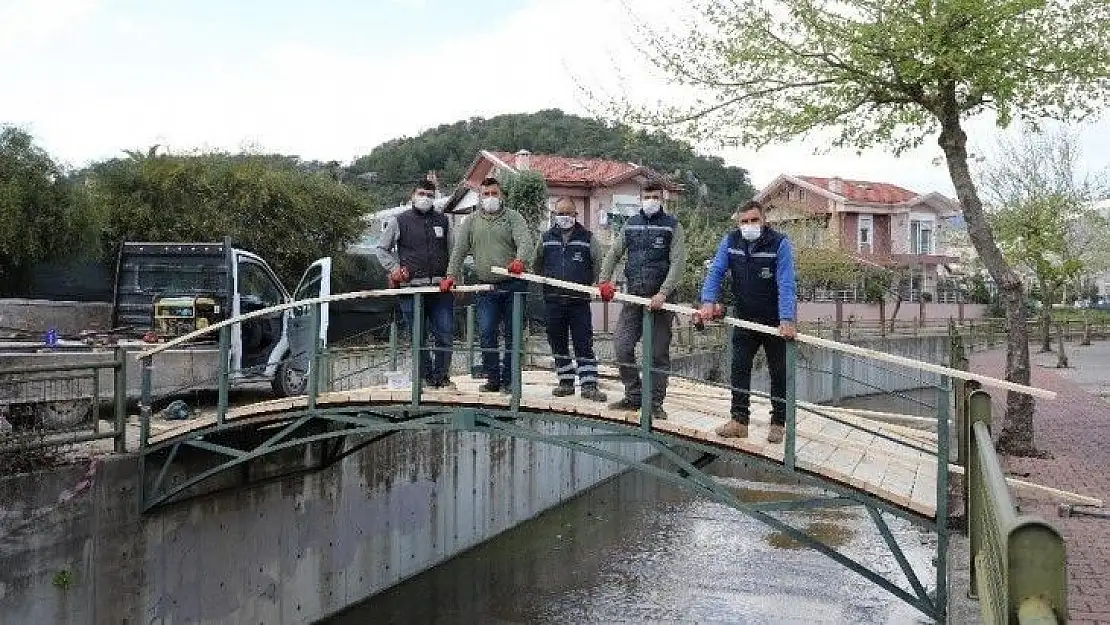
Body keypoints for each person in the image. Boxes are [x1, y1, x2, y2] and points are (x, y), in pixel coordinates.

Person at [699, 199, 797, 443]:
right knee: (739, 368)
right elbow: (716, 271)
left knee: (779, 372)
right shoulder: (730, 241)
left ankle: (778, 423)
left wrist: (787, 318)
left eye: (754, 220)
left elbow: (786, 283)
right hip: (744, 318)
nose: (749, 225)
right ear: (738, 223)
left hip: (774, 322)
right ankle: (739, 421)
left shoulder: (779, 243)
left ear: (764, 221)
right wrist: (708, 300)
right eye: (744, 221)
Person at [597, 181, 687, 419]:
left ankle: (655, 403)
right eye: (647, 196)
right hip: (634, 295)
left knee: (657, 353)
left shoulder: (672, 226)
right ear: (640, 198)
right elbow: (614, 253)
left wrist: (664, 293)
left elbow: (678, 263)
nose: (651, 201)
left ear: (662, 198)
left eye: (655, 196)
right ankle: (634, 396)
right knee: (622, 345)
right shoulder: (631, 224)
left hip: (661, 301)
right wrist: (605, 280)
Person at [445, 177, 533, 393]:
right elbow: (458, 251)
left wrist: (520, 260)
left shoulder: (513, 218)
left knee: (513, 335)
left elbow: (525, 242)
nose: (491, 198)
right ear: (480, 196)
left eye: (494, 193)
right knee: (486, 333)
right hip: (486, 287)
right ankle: (493, 379)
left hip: (514, 286)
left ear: (500, 194)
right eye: (486, 194)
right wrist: (451, 275)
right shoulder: (471, 221)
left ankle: (510, 381)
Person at [373, 180, 457, 389]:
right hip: (412, 290)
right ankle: (426, 378)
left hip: (440, 289)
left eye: (430, 194)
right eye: (422, 193)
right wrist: (394, 269)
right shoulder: (399, 221)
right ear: (412, 195)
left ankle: (441, 377)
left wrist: (455, 276)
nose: (425, 198)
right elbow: (382, 249)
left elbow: (454, 252)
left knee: (445, 335)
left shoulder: (444, 221)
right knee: (418, 338)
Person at [531, 198, 607, 402]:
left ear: (575, 215)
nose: (564, 217)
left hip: (578, 302)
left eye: (568, 213)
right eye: (560, 213)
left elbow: (597, 265)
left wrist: (590, 283)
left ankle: (589, 384)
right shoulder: (546, 238)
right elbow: (536, 265)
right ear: (555, 214)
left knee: (583, 342)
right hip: (553, 300)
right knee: (557, 341)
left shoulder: (588, 238)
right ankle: (565, 381)